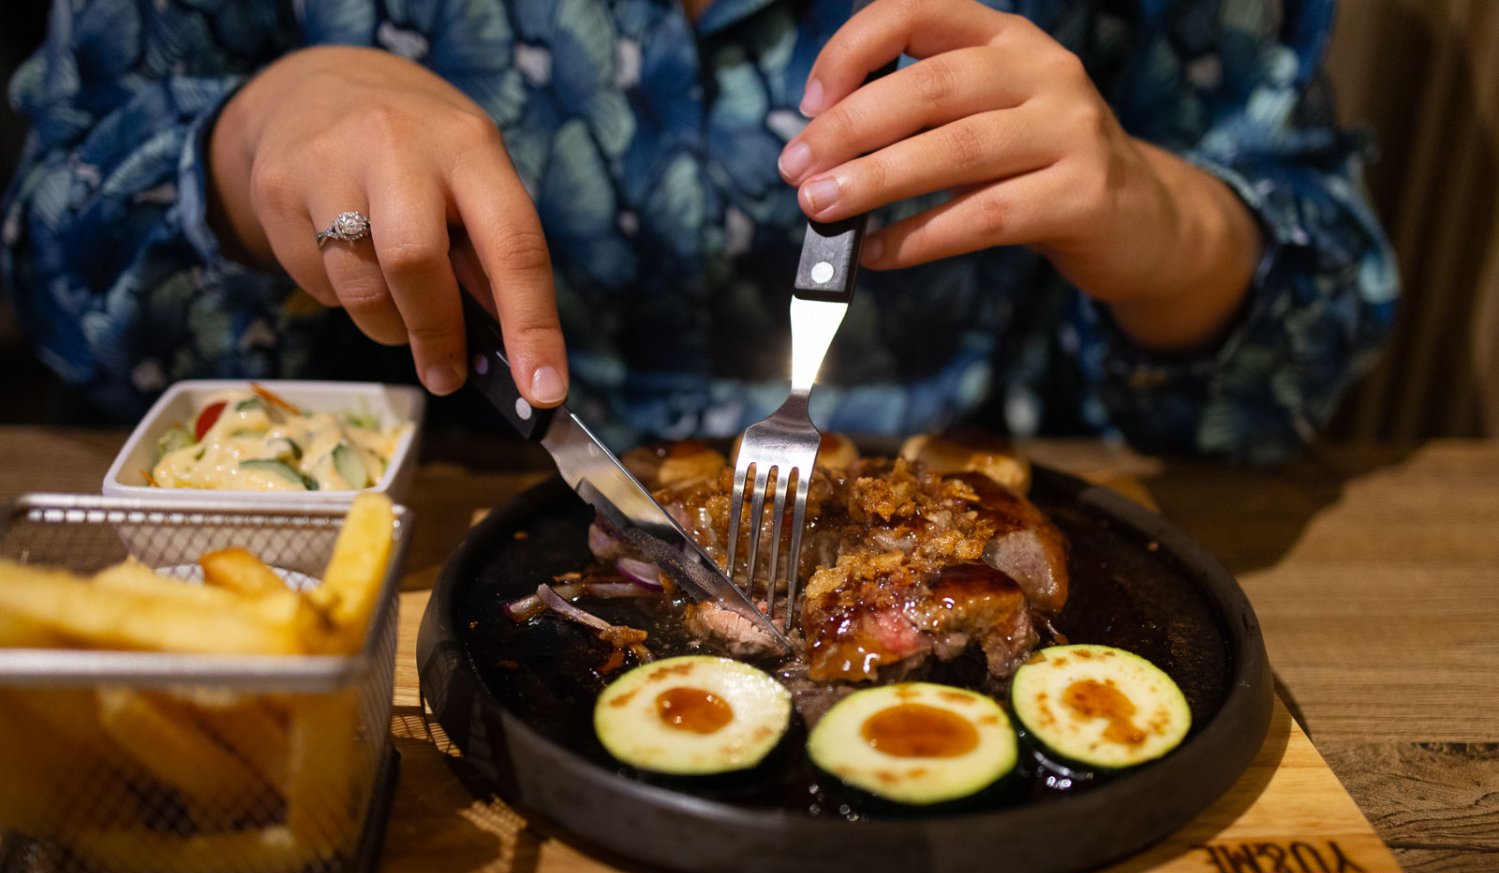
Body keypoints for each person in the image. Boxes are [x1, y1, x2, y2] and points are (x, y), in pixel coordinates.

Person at [1, 0, 1396, 463]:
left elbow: (1312, 339)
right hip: (397, 576)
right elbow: (51, 272)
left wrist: (1168, 222)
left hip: (981, 483)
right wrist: (244, 144)